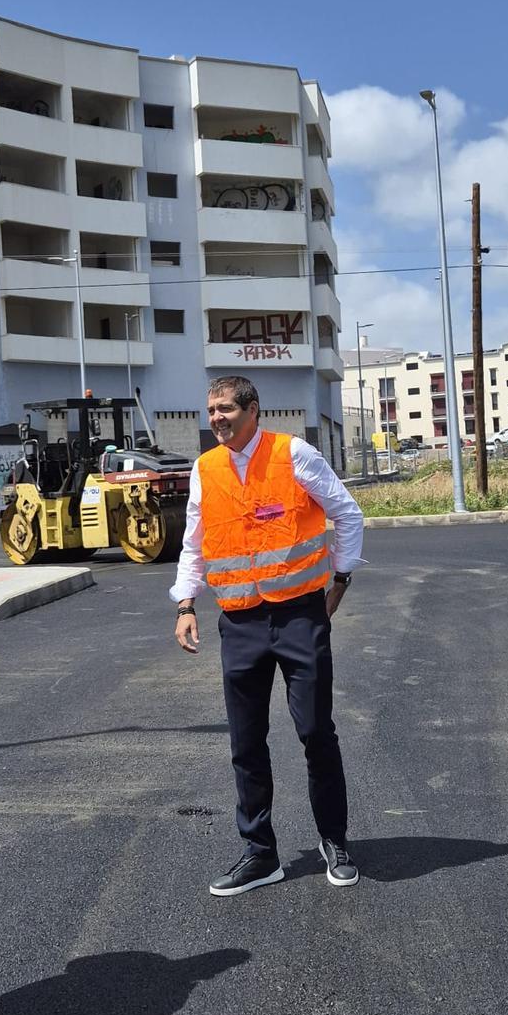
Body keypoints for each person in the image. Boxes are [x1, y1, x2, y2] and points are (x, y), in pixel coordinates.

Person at [172, 376, 365, 896]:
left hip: (300, 616)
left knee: (315, 732)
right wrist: (185, 602)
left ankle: (334, 841)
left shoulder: (292, 453)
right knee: (245, 742)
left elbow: (346, 511)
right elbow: (195, 540)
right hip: (239, 622)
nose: (216, 418)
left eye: (226, 408)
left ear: (253, 410)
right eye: (210, 409)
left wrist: (341, 578)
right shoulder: (204, 468)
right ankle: (260, 853)